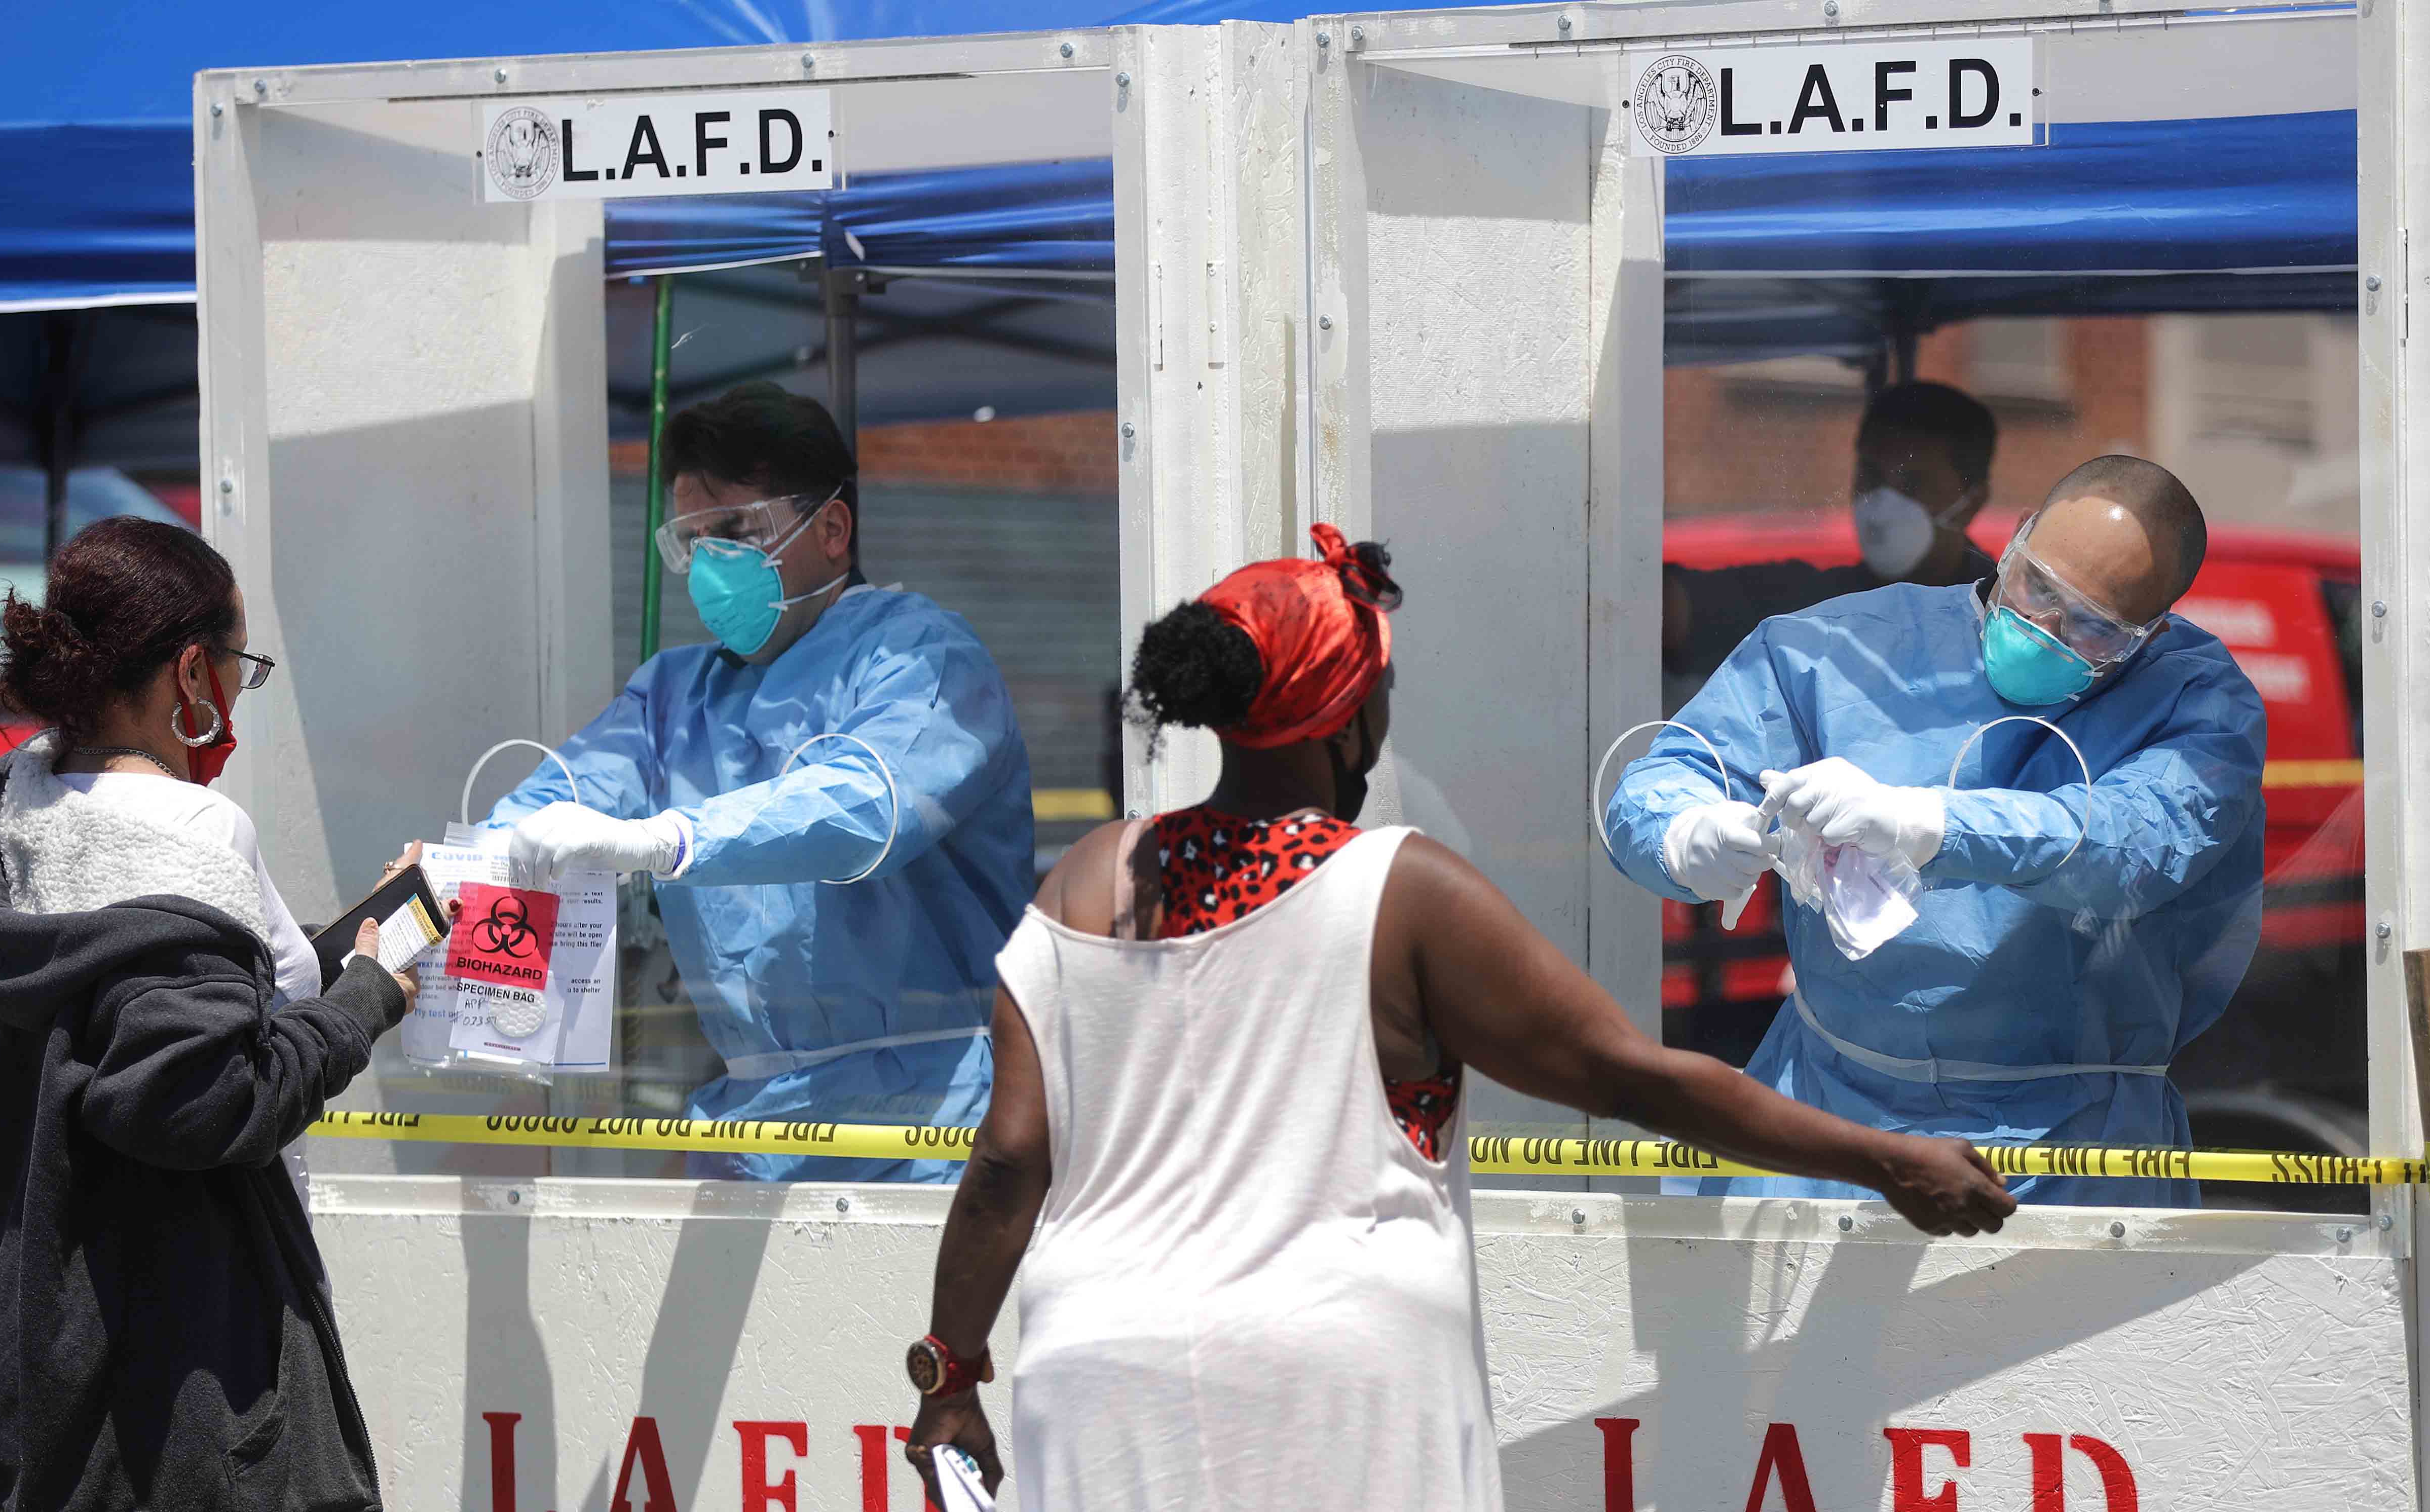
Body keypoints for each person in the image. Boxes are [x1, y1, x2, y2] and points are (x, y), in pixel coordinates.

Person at [902, 525, 2014, 1507]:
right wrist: (1884, 1158)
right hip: (1333, 1384)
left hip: (1093, 1371)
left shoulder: (1088, 880)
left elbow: (1007, 1160)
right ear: (1348, 716)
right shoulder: (1398, 888)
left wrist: (948, 1375)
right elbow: (1634, 1079)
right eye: (1381, 684)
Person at [1609, 457, 2266, 1208]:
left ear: (2150, 635)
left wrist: (1926, 822)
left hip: (2069, 1150)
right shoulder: (1842, 651)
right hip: (1827, 1121)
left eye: (2091, 625)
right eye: (2037, 586)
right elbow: (1663, 780)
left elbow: (2132, 845)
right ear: (2013, 543)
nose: (2041, 628)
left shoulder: (2197, 705)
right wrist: (1686, 834)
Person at [0, 517, 419, 1511]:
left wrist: (344, 947)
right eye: (239, 669)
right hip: (189, 1388)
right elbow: (207, 1098)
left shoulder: (19, 812)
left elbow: (153, 987)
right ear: (187, 674)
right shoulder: (187, 831)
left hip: (43, 1349)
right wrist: (361, 1008)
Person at [485, 382, 1032, 1182]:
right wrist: (481, 862)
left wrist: (669, 838)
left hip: (932, 1121)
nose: (712, 565)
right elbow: (563, 792)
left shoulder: (924, 660)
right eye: (692, 540)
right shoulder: (673, 693)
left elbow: (864, 805)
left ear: (833, 528)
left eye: (737, 531)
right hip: (753, 1126)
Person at [1664, 381, 1999, 693]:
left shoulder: (2005, 620)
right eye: (1872, 476)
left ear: (1971, 502)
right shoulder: (1814, 605)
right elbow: (1673, 610)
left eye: (1913, 483)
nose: (1883, 502)